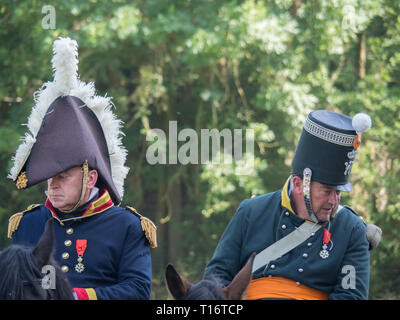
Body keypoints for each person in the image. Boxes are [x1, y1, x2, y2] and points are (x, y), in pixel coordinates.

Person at [7, 37, 157, 300]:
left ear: (91, 178)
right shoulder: (27, 225)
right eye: (49, 177)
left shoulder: (128, 226)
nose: (52, 184)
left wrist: (76, 297)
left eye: (63, 176)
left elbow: (137, 291)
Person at [204, 110, 382, 300]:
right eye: (326, 191)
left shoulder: (351, 229)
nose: (334, 201)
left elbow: (351, 296)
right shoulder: (250, 211)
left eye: (338, 192)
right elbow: (217, 277)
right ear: (298, 184)